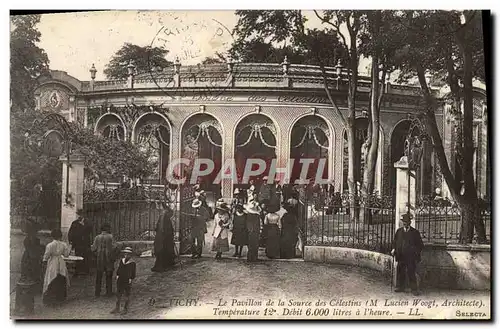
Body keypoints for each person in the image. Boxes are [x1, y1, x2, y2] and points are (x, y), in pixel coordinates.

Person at [391, 214, 424, 295]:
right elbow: (395, 242)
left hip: (410, 257)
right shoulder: (399, 231)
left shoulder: (415, 232)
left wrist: (415, 253)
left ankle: (414, 289)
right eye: (404, 222)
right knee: (400, 271)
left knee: (411, 272)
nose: (405, 223)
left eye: (407, 222)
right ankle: (400, 287)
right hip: (401, 255)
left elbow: (420, 245)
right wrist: (393, 249)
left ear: (410, 222)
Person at [42, 228, 71, 307]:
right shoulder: (64, 244)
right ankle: (60, 297)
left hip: (53, 262)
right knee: (61, 277)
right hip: (61, 262)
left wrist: (44, 261)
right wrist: (69, 248)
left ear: (52, 236)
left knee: (51, 278)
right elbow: (66, 255)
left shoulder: (50, 245)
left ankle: (51, 298)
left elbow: (46, 256)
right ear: (60, 236)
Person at [92, 223, 118, 297]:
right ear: (108, 229)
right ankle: (108, 292)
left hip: (100, 258)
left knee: (99, 275)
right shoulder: (110, 237)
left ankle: (97, 292)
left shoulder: (97, 237)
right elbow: (114, 247)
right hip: (108, 257)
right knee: (109, 275)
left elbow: (93, 248)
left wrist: (97, 253)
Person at [111, 247, 136, 315]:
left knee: (127, 294)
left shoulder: (132, 263)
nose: (126, 255)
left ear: (130, 255)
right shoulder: (122, 260)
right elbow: (119, 269)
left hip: (127, 279)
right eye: (125, 253)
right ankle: (117, 308)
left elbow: (133, 273)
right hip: (120, 279)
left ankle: (125, 308)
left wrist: (131, 278)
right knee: (118, 293)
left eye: (128, 254)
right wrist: (117, 275)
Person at [68, 209, 92, 275]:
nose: (80, 216)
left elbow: (90, 230)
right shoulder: (74, 223)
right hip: (77, 243)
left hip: (85, 243)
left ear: (84, 215)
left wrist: (83, 225)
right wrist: (70, 240)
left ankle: (86, 271)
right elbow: (71, 232)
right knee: (78, 256)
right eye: (79, 214)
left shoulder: (88, 222)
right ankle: (77, 271)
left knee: (86, 256)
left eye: (81, 214)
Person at [20, 220, 44, 286]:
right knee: (32, 269)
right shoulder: (31, 238)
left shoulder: (29, 237)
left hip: (29, 255)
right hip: (32, 255)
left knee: (30, 270)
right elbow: (33, 247)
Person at [151, 207, 176, 272]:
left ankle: (166, 264)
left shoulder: (162, 217)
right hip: (163, 239)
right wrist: (171, 236)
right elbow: (168, 230)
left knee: (163, 251)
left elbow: (157, 228)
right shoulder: (166, 219)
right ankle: (161, 266)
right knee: (162, 252)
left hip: (160, 238)